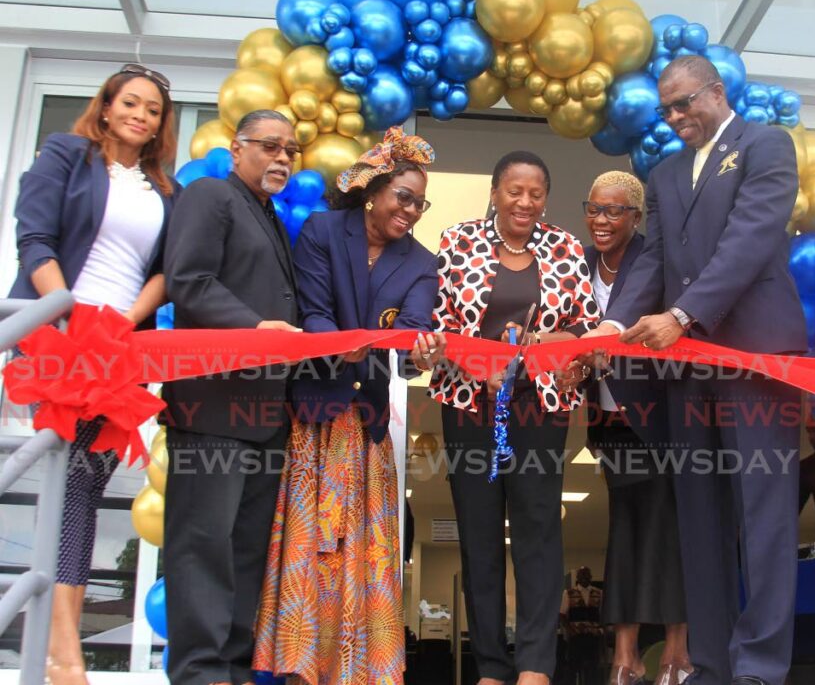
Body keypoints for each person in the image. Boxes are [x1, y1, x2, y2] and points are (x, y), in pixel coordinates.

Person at [583, 55, 807, 685]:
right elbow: (652, 259)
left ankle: (760, 667)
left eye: (686, 103)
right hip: (687, 372)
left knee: (762, 515)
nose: (677, 117)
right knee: (698, 518)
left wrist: (683, 314)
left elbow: (752, 238)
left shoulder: (766, 145)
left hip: (754, 360)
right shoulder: (665, 172)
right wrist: (613, 321)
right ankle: (710, 663)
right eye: (668, 109)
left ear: (717, 91)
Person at [8, 63, 178, 685]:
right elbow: (36, 242)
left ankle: (63, 650)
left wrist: (126, 322)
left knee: (85, 484)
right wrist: (71, 320)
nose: (140, 114)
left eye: (153, 109)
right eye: (129, 102)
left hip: (120, 345)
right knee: (64, 482)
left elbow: (165, 268)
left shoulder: (165, 188)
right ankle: (62, 653)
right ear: (105, 107)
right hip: (59, 335)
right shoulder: (66, 154)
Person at [253, 126, 440, 685]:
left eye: (419, 202)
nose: (410, 210)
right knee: (310, 550)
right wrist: (343, 346)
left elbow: (408, 344)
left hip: (367, 425)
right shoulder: (322, 231)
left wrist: (420, 357)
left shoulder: (423, 263)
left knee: (363, 555)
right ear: (372, 190)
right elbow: (313, 311)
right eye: (402, 196)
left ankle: (359, 671)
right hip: (313, 415)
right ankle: (300, 666)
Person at [427, 151, 600, 685]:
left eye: (536, 193)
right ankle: (491, 668)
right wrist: (480, 365)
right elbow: (440, 322)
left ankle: (535, 665)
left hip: (539, 408)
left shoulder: (566, 247)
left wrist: (551, 344)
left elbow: (586, 327)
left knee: (538, 533)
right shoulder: (457, 241)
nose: (525, 202)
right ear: (496, 192)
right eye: (514, 191)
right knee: (478, 536)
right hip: (470, 405)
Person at [162, 109, 300, 685]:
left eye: (291, 149)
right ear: (235, 147)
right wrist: (254, 329)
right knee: (202, 545)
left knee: (246, 549)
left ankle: (234, 670)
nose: (282, 158)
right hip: (212, 404)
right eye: (270, 146)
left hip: (265, 414)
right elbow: (188, 282)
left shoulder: (267, 215)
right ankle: (199, 673)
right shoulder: (209, 195)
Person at [580, 171, 690, 685]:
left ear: (636, 217)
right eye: (594, 209)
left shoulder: (655, 258)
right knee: (625, 524)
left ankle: (675, 650)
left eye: (614, 211)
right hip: (608, 420)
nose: (602, 220)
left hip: (659, 414)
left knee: (668, 526)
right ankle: (625, 654)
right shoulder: (579, 263)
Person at [560, 566, 604, 685]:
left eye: (586, 575)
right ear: (578, 577)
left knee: (592, 666)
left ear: (590, 577)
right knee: (572, 667)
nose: (584, 577)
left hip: (593, 636)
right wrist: (569, 630)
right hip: (576, 636)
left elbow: (602, 614)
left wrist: (601, 630)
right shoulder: (568, 593)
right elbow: (562, 614)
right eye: (582, 575)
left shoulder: (599, 593)